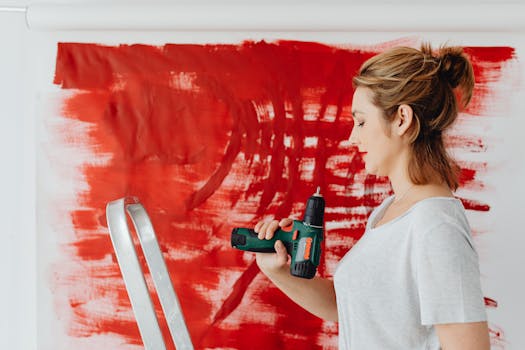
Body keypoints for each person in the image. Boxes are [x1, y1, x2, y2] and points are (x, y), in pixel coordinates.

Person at [254, 43, 490, 349]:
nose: (354, 136)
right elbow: (348, 309)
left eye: (362, 121)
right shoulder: (390, 212)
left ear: (402, 119)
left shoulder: (435, 225)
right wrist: (278, 271)